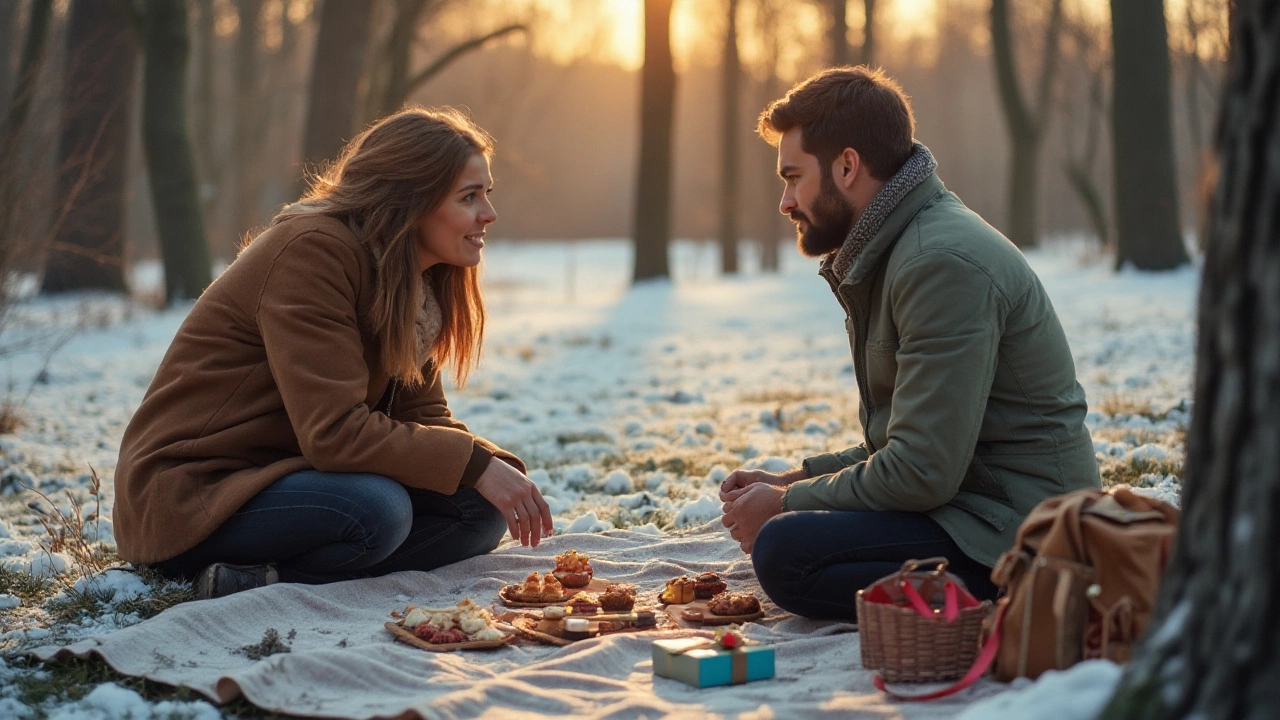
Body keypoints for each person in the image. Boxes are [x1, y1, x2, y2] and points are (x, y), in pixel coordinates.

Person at [114, 107, 553, 599]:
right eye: (469, 197)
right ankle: (280, 581)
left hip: (290, 478)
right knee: (377, 511)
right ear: (411, 199)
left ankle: (265, 580)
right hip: (195, 495)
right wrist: (475, 465)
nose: (488, 214)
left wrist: (495, 470)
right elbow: (334, 434)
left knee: (479, 509)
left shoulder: (415, 282)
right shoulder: (311, 253)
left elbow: (422, 415)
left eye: (486, 194)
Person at [719, 67, 1101, 621]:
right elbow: (911, 441)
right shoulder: (899, 248)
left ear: (847, 166)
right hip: (971, 506)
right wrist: (794, 478)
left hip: (1028, 533)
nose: (785, 201)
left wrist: (785, 504)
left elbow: (921, 469)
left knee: (787, 550)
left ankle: (1011, 601)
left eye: (794, 177)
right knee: (793, 535)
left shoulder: (938, 263)